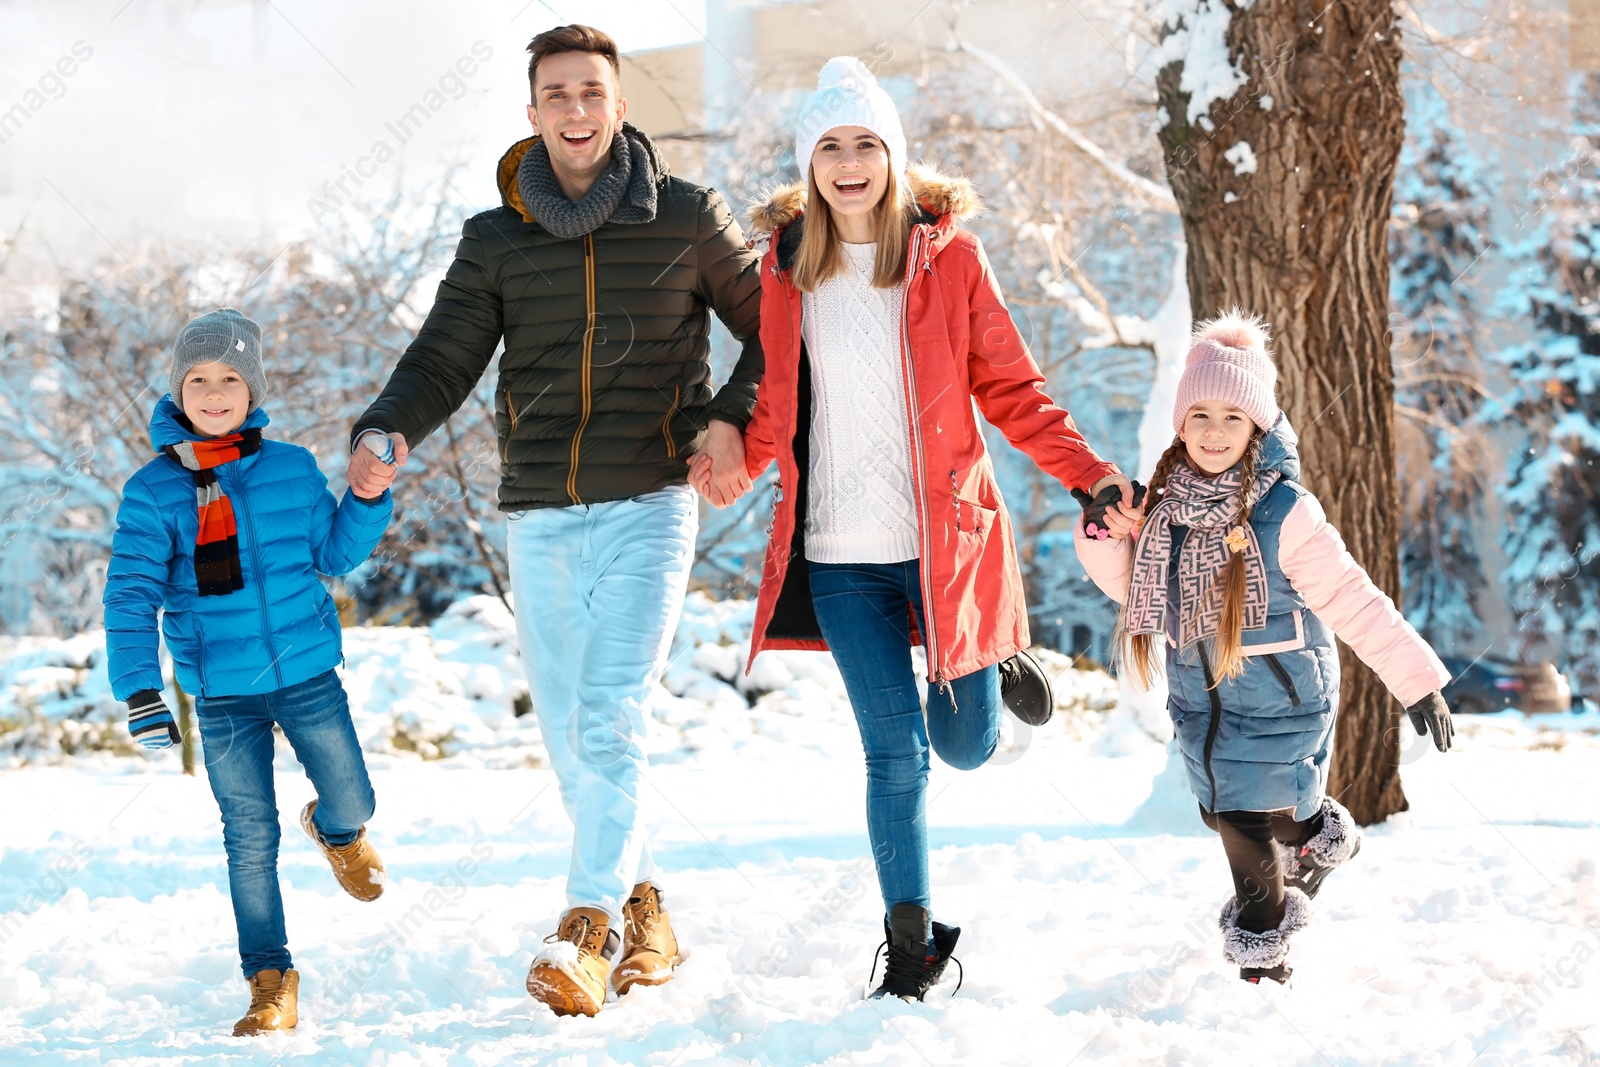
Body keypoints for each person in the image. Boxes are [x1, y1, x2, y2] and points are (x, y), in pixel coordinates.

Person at [691, 57, 1132, 1002]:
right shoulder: (786, 268)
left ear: (893, 156)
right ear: (809, 164)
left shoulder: (951, 260)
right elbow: (776, 401)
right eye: (830, 148)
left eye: (866, 145)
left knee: (967, 747)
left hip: (946, 548)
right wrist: (732, 462)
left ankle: (992, 652)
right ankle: (913, 944)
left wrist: (1090, 474)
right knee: (895, 756)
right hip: (841, 557)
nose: (849, 164)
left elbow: (1014, 391)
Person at [345, 25, 764, 1018]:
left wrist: (731, 421)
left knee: (611, 708)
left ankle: (587, 924)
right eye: (556, 94)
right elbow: (443, 354)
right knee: (575, 736)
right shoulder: (496, 238)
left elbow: (775, 330)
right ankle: (646, 903)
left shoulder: (689, 217)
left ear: (618, 106)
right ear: (532, 113)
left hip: (651, 497)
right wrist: (383, 427)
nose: (576, 110)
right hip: (538, 507)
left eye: (592, 92)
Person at [1075, 311, 1455, 984]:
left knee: (1241, 823)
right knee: (1237, 811)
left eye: (1232, 417)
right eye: (1200, 416)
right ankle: (1315, 838)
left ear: (1257, 426)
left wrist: (1416, 678)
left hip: (1284, 700)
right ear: (1180, 424)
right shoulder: (1167, 510)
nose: (1214, 432)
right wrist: (1105, 538)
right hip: (1203, 704)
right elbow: (1137, 587)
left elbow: (1353, 598)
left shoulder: (1285, 512)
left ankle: (1262, 960)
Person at [103, 308, 393, 1034]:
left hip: (306, 673)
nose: (213, 390)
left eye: (230, 376)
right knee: (248, 834)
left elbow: (332, 554)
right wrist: (139, 686)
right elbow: (130, 592)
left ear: (252, 387)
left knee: (353, 796)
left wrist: (364, 498)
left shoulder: (292, 468)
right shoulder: (153, 491)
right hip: (222, 693)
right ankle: (270, 975)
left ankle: (336, 830)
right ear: (178, 389)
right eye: (197, 377)